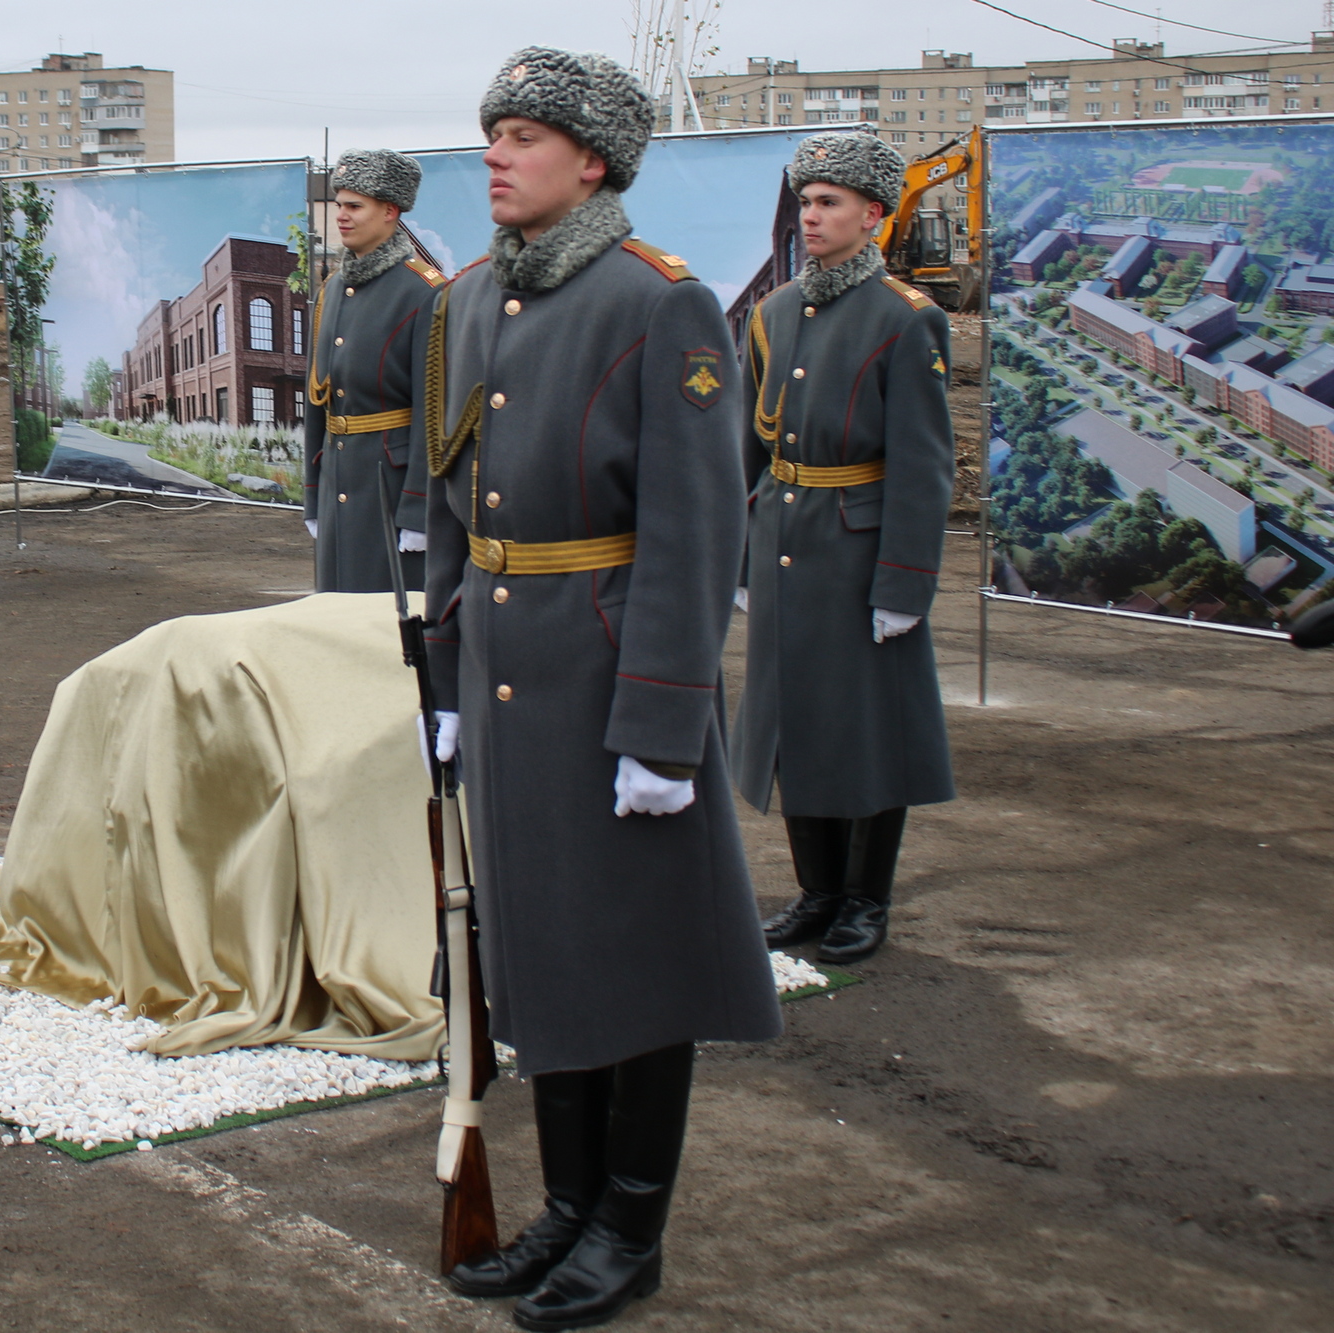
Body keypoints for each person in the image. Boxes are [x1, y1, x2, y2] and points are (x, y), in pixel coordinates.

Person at [423, 48, 782, 1331]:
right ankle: (565, 1209)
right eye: (488, 134)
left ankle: (629, 1229)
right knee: (544, 955)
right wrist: (445, 670)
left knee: (635, 960)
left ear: (594, 161)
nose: (493, 155)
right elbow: (451, 497)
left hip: (614, 674)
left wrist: (661, 727)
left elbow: (695, 534)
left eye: (521, 135)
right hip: (508, 676)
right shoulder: (468, 301)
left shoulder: (659, 305)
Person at [732, 131, 957, 965]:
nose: (814, 218)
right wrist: (740, 557)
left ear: (872, 215)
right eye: (807, 203)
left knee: (865, 732)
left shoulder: (906, 319)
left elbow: (925, 465)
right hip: (786, 540)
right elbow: (745, 448)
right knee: (798, 725)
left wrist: (904, 582)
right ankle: (818, 891)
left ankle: (867, 899)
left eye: (830, 204)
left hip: (859, 552)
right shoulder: (774, 313)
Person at [302, 149, 446, 592]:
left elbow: (434, 414)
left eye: (354, 206)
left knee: (388, 631)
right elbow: (317, 404)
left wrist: (419, 512)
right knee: (334, 623)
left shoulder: (426, 293)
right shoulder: (331, 291)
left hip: (391, 491)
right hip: (339, 484)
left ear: (390, 211)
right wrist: (313, 496)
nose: (341, 216)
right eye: (338, 204)